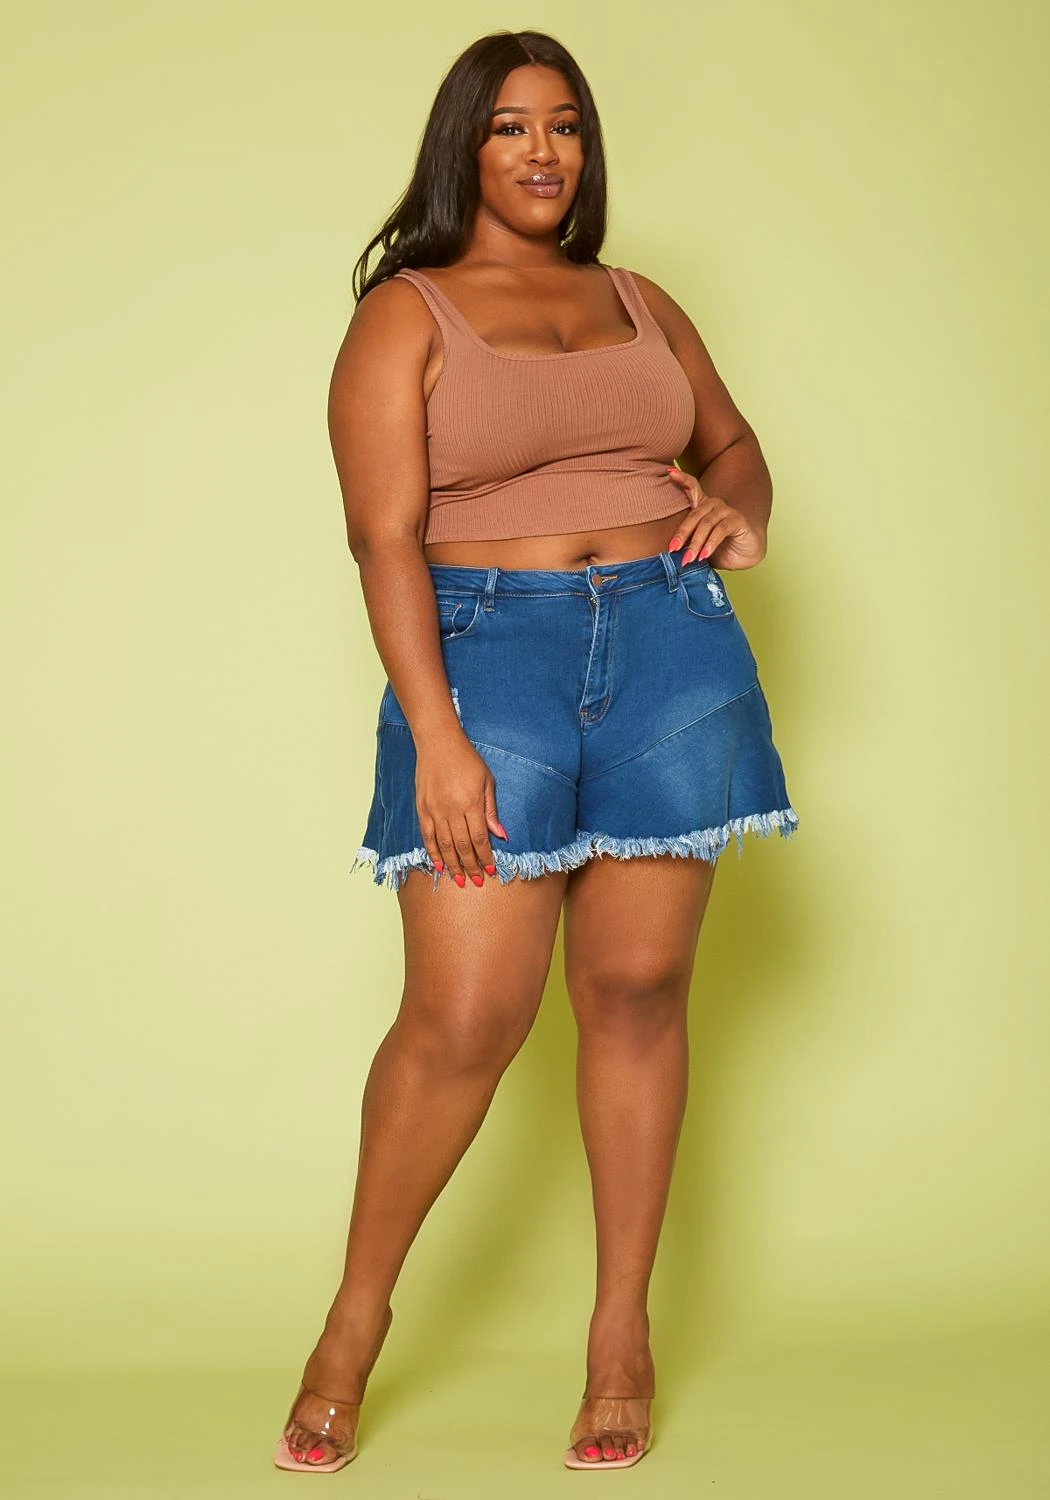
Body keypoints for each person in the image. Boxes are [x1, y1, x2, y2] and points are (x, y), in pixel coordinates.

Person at [273, 26, 799, 1476]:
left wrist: (744, 512)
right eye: (510, 126)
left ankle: (619, 1335)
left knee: (636, 991)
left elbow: (734, 445)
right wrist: (437, 739)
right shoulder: (406, 316)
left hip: (673, 648)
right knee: (464, 1020)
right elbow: (383, 536)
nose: (543, 150)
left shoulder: (640, 300)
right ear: (465, 146)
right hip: (485, 660)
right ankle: (351, 1326)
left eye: (564, 124)